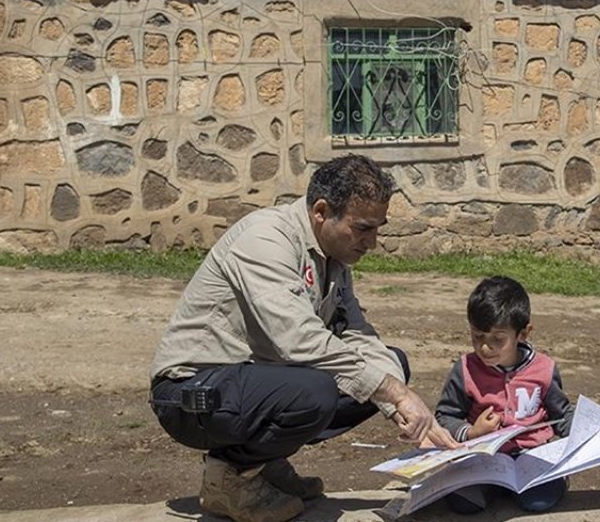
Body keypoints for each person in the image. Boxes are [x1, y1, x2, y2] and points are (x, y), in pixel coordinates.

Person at [148, 154, 457, 522]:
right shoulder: (266, 239)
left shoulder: (333, 257)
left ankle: (262, 464)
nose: (372, 242)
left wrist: (404, 410)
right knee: (317, 390)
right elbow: (298, 340)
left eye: (377, 228)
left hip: (255, 387)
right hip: (192, 394)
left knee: (391, 364)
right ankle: (229, 478)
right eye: (362, 228)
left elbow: (355, 333)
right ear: (321, 212)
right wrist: (394, 393)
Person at [433, 276, 575, 514]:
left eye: (497, 339)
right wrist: (472, 432)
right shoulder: (465, 369)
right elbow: (444, 416)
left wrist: (587, 434)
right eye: (477, 336)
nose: (485, 347)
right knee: (463, 503)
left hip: (531, 456)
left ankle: (551, 480)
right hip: (483, 458)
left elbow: (561, 415)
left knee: (538, 502)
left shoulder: (544, 369)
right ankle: (496, 487)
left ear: (523, 333)